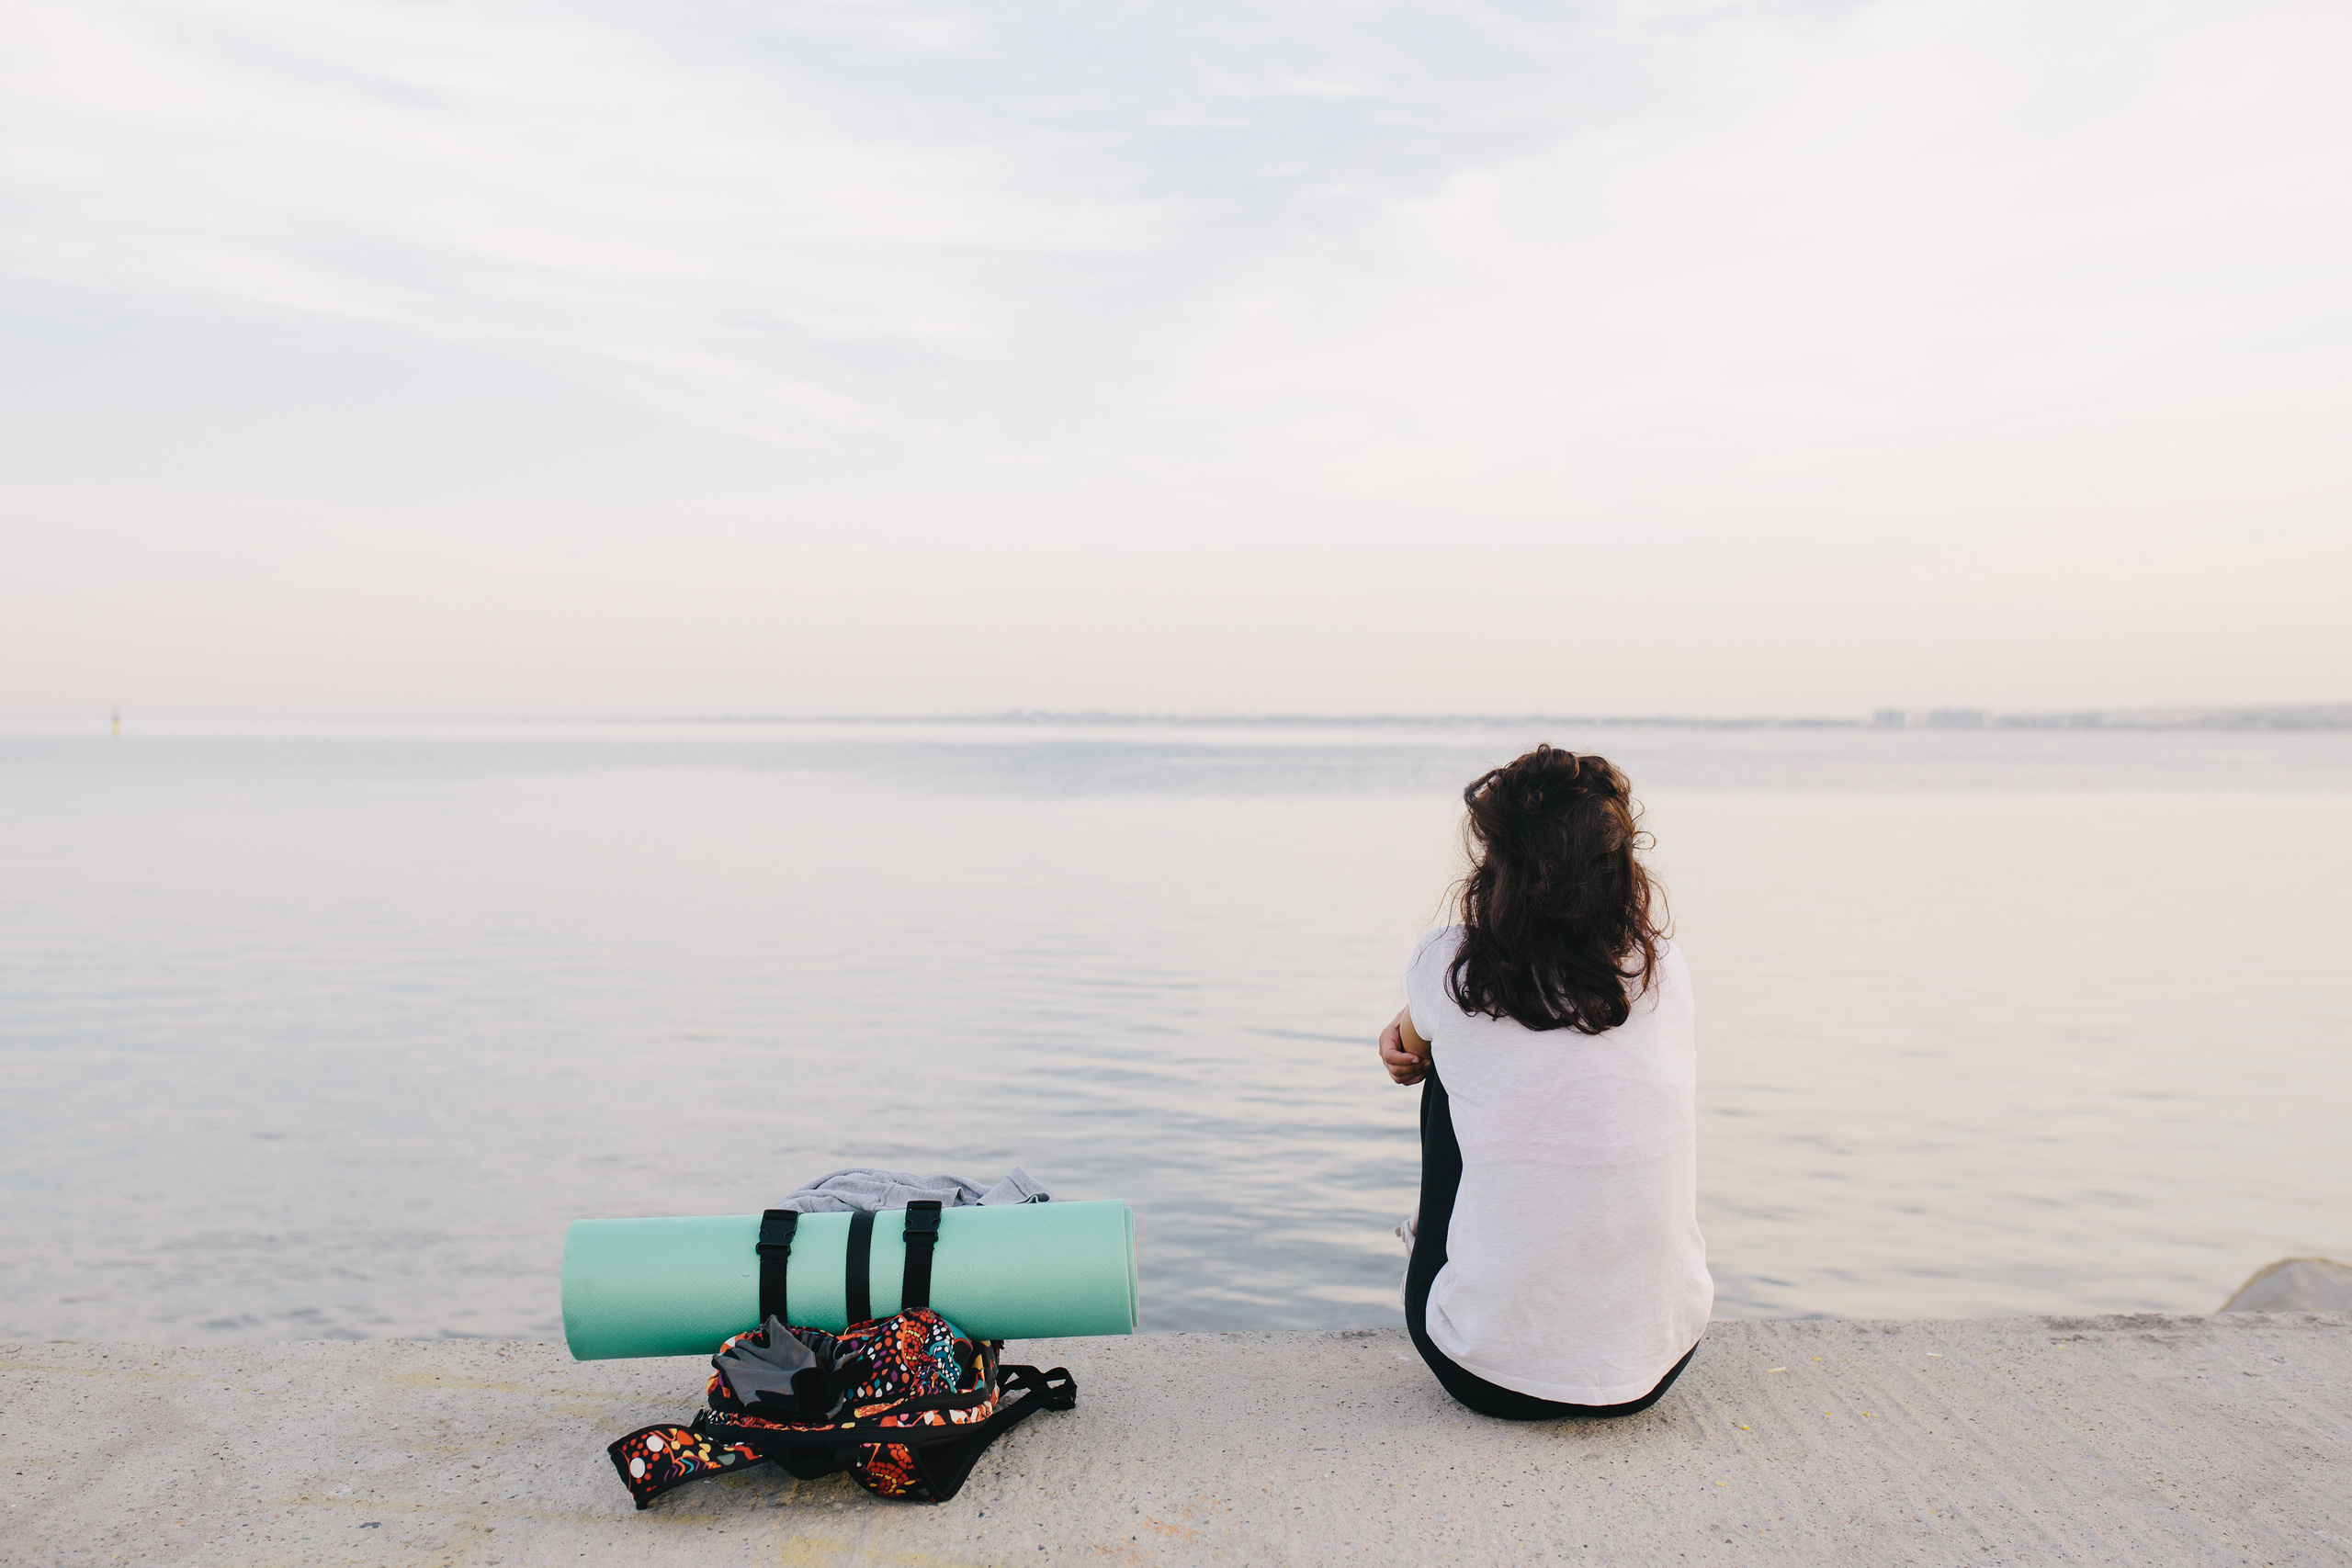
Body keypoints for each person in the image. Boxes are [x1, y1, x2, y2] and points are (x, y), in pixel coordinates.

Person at [1377, 744, 1711, 1419]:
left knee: (1444, 1068)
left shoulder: (1451, 967)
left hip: (1484, 1373)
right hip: (1660, 1362)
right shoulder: (1663, 968)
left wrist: (1422, 1037)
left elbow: (1406, 1044)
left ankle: (1439, 1244)